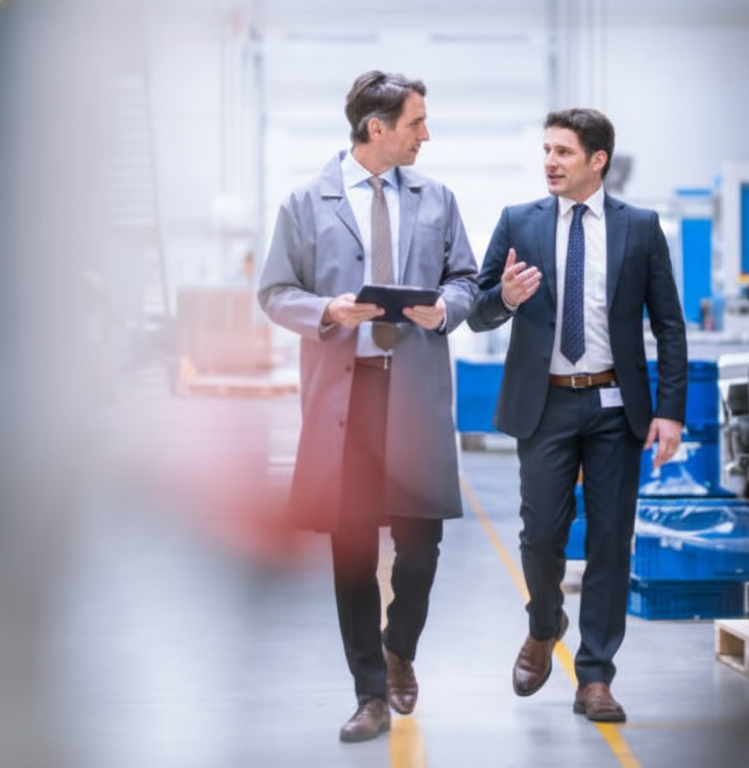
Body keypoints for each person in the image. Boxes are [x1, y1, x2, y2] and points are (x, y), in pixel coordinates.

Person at [257, 71, 479, 742]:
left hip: (413, 387)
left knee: (421, 541)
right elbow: (273, 291)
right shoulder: (306, 202)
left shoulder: (437, 199)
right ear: (376, 130)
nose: (426, 134)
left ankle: (398, 646)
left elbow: (466, 278)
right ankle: (369, 693)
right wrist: (326, 309)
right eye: (416, 123)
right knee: (351, 547)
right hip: (345, 396)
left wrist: (446, 309)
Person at [467, 108, 687, 722]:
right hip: (546, 403)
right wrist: (503, 299)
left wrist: (670, 412)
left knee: (612, 541)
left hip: (617, 407)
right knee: (541, 536)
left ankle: (595, 675)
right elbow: (479, 309)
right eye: (546, 150)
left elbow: (669, 326)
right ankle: (544, 625)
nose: (550, 162)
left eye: (564, 152)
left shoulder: (640, 228)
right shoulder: (519, 222)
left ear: (598, 161)